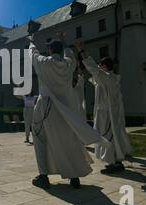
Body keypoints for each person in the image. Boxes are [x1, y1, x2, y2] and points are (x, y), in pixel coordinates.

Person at [28, 33, 110, 189]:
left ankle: (43, 176)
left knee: (40, 139)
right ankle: (74, 176)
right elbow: (70, 54)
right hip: (65, 108)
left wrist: (32, 42)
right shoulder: (68, 64)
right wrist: (64, 42)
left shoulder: (44, 62)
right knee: (68, 141)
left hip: (46, 106)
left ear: (50, 50)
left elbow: (33, 54)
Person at [75, 41, 133, 174]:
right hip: (110, 113)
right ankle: (115, 161)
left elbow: (93, 69)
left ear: (105, 67)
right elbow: (95, 77)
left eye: (101, 65)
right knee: (112, 137)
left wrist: (82, 51)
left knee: (107, 138)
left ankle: (114, 162)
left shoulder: (106, 78)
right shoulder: (111, 78)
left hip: (106, 114)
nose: (99, 67)